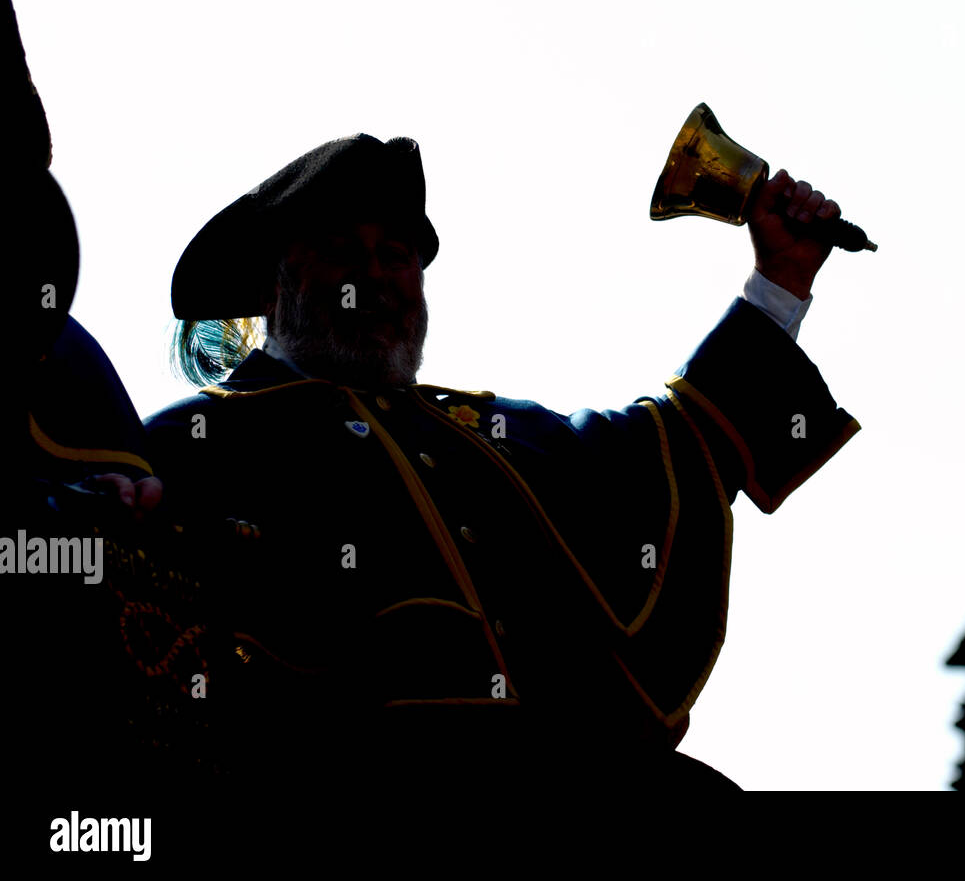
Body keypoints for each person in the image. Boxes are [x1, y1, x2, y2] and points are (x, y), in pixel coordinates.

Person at [142, 133, 860, 806]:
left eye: (395, 255)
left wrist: (779, 281)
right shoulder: (196, 441)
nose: (374, 276)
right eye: (339, 250)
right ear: (271, 289)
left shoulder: (493, 437)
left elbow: (673, 446)